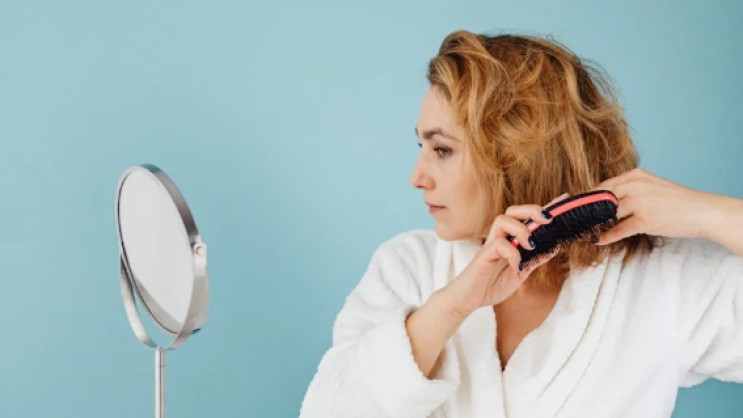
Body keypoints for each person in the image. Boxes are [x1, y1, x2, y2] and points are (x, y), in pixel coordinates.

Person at [298, 30, 743, 418]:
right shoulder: (408, 267)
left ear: (515, 155)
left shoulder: (657, 280)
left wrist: (715, 214)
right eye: (423, 147)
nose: (417, 177)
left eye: (442, 150)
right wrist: (452, 306)